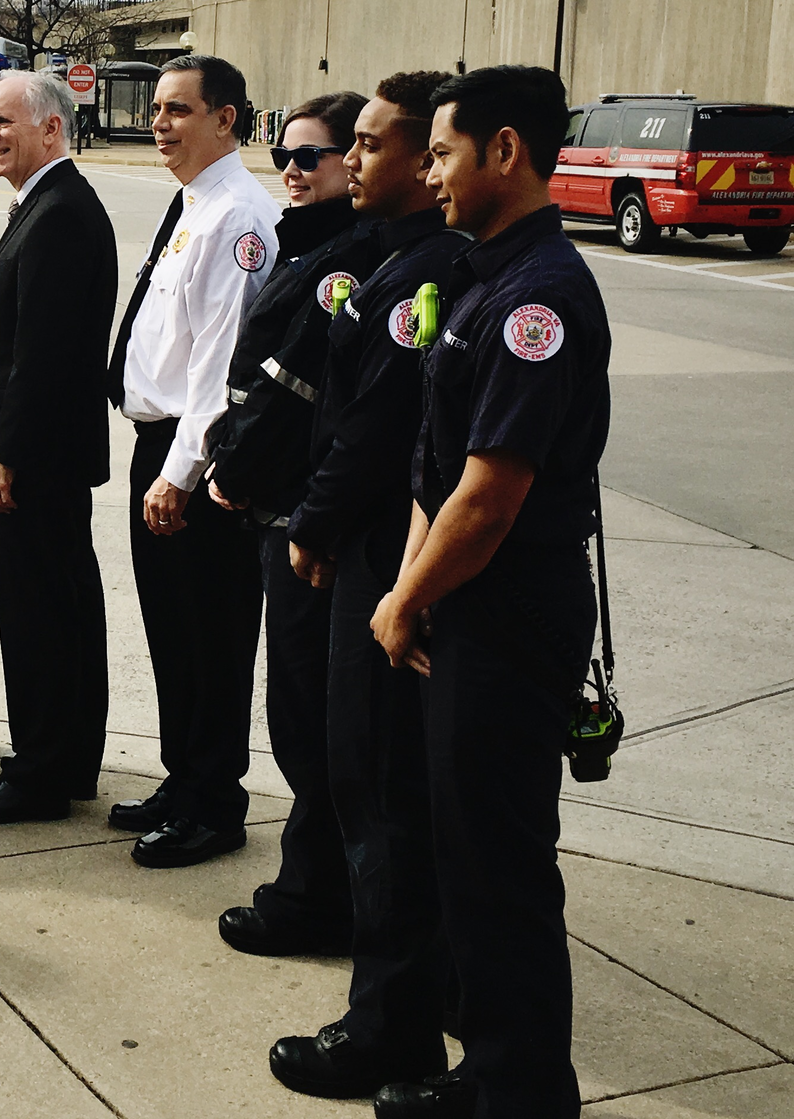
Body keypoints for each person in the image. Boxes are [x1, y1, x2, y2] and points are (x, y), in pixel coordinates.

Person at [369, 66, 610, 1119]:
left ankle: (518, 1091)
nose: (432, 171)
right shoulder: (482, 275)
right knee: (463, 854)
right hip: (460, 604)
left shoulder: (538, 297)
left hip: (509, 617)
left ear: (506, 153)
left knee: (502, 865)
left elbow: (493, 494)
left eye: (445, 153)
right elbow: (440, 466)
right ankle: (485, 1070)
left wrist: (400, 597)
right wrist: (415, 588)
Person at [267, 71, 473, 1104]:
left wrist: (313, 522)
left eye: (380, 146)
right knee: (374, 786)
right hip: (367, 551)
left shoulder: (424, 271)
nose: (354, 160)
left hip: (382, 563)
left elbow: (375, 430)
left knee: (379, 789)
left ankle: (389, 1028)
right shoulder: (394, 259)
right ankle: (416, 991)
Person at [204, 91, 385, 956]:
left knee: (314, 723)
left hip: (303, 518)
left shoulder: (344, 260)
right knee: (302, 716)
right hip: (281, 507)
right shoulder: (307, 243)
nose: (292, 167)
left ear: (352, 163)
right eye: (288, 151)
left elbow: (292, 394)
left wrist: (230, 469)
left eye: (312, 155)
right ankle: (322, 885)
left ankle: (320, 896)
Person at [104, 54, 277, 868]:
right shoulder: (194, 204)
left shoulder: (238, 216)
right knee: (173, 632)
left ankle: (215, 801)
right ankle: (184, 776)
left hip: (194, 459)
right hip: (160, 448)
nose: (160, 123)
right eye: (158, 109)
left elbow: (220, 365)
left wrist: (179, 474)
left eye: (179, 110)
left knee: (210, 636)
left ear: (227, 120)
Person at [0, 70, 114, 823]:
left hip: (36, 459)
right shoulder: (43, 204)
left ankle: (41, 770)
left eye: (6, 121)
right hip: (41, 452)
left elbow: (44, 356)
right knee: (59, 610)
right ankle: (65, 760)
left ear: (52, 128)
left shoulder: (62, 213)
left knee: (40, 617)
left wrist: (4, 454)